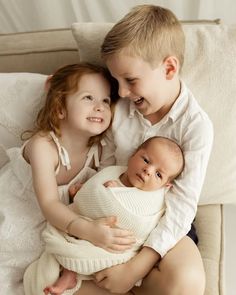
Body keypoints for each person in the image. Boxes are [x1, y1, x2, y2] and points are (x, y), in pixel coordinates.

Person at [73, 4, 214, 295]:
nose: (122, 92)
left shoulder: (196, 127)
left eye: (131, 81)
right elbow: (106, 166)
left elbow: (182, 206)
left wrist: (134, 268)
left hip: (164, 219)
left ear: (169, 68)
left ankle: (132, 281)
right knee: (71, 274)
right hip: (113, 210)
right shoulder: (121, 108)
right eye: (117, 82)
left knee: (186, 282)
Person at [0, 63, 135, 294]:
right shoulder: (43, 146)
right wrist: (89, 231)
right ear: (60, 107)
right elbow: (50, 204)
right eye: (88, 98)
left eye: (105, 100)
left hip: (55, 229)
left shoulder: (99, 153)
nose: (100, 107)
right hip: (16, 220)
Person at [23, 136, 184, 295]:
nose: (148, 171)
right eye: (146, 160)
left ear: (166, 186)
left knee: (87, 248)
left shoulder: (153, 200)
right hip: (89, 228)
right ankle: (69, 273)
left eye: (158, 175)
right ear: (134, 154)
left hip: (119, 245)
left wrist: (111, 193)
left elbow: (140, 225)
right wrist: (81, 192)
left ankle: (71, 273)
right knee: (73, 238)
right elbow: (89, 197)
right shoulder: (112, 172)